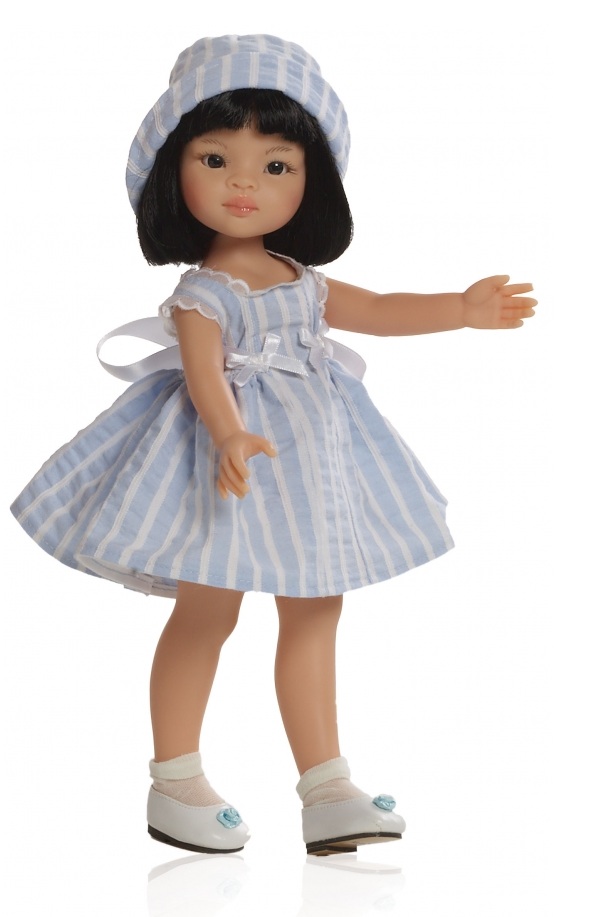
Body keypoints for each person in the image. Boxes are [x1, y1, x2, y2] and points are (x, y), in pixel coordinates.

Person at [10, 34, 536, 856]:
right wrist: (227, 431)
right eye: (215, 159)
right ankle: (175, 777)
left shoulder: (304, 280)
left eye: (277, 164)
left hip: (310, 465)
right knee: (208, 608)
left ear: (312, 180)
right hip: (223, 463)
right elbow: (202, 372)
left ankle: (326, 784)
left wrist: (459, 309)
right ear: (174, 173)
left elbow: (381, 308)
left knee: (317, 605)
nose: (244, 182)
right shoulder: (204, 292)